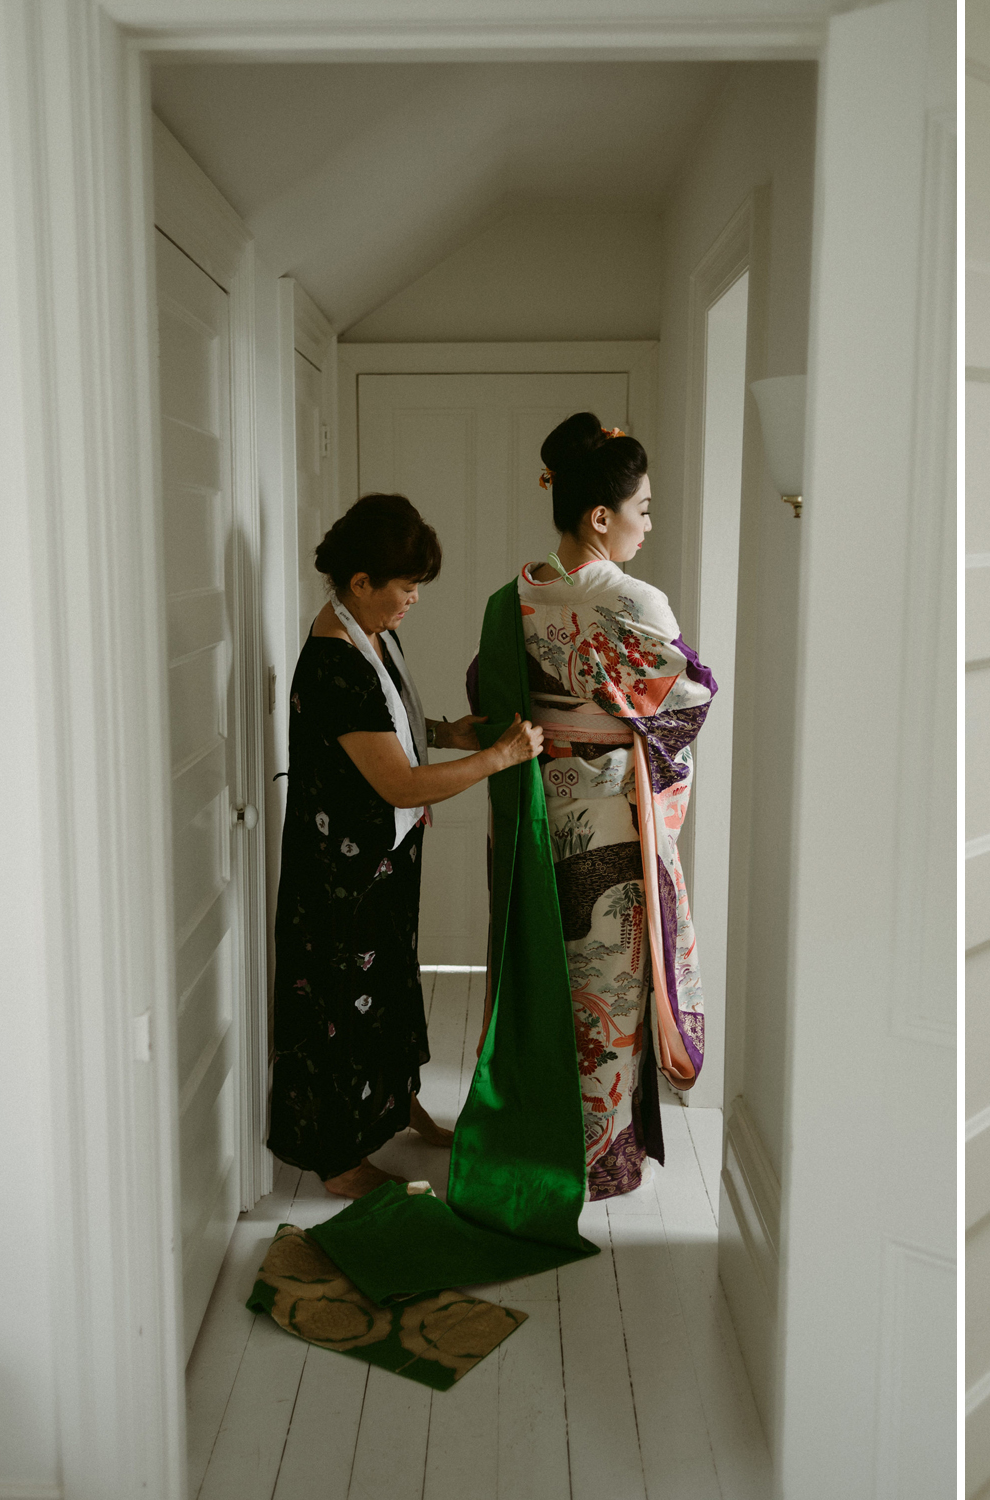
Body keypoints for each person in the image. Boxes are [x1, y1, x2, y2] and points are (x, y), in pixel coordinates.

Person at [267, 494, 543, 1198]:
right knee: (341, 1004)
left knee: (385, 990)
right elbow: (397, 783)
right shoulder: (335, 663)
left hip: (376, 864)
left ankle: (394, 1108)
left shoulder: (369, 633)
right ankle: (338, 1159)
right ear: (360, 582)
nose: (413, 600)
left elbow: (390, 721)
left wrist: (450, 732)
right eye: (405, 587)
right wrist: (498, 758)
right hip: (340, 877)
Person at [488, 412, 717, 1198]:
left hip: (539, 805)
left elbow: (489, 693)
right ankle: (600, 1157)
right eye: (643, 508)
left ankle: (539, 1132)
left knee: (551, 975)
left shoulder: (516, 596)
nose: (648, 524)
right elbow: (680, 705)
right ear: (600, 516)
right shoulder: (637, 601)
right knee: (610, 985)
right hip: (612, 816)